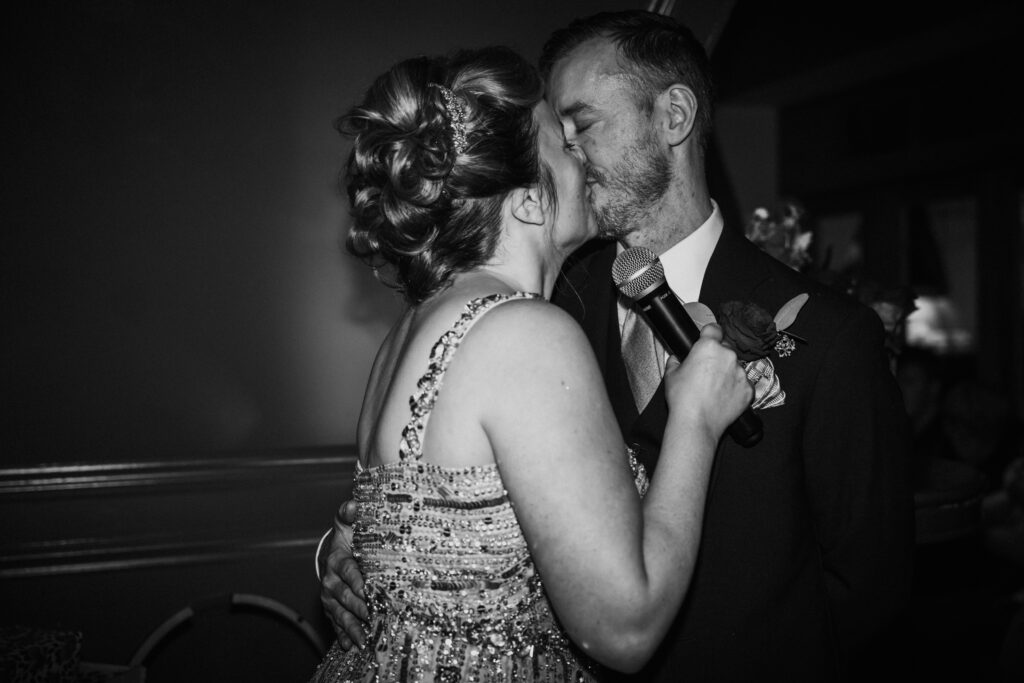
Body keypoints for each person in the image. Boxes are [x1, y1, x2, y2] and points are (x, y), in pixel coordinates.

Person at [320, 10, 915, 681]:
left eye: (584, 126)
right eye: (561, 139)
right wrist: (358, 555)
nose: (573, 152)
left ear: (673, 117)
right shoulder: (538, 314)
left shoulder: (833, 337)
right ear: (524, 198)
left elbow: (870, 591)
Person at [308, 44, 753, 682]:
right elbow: (625, 629)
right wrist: (697, 420)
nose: (585, 157)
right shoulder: (524, 333)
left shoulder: (411, 330)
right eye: (566, 147)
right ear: (527, 202)